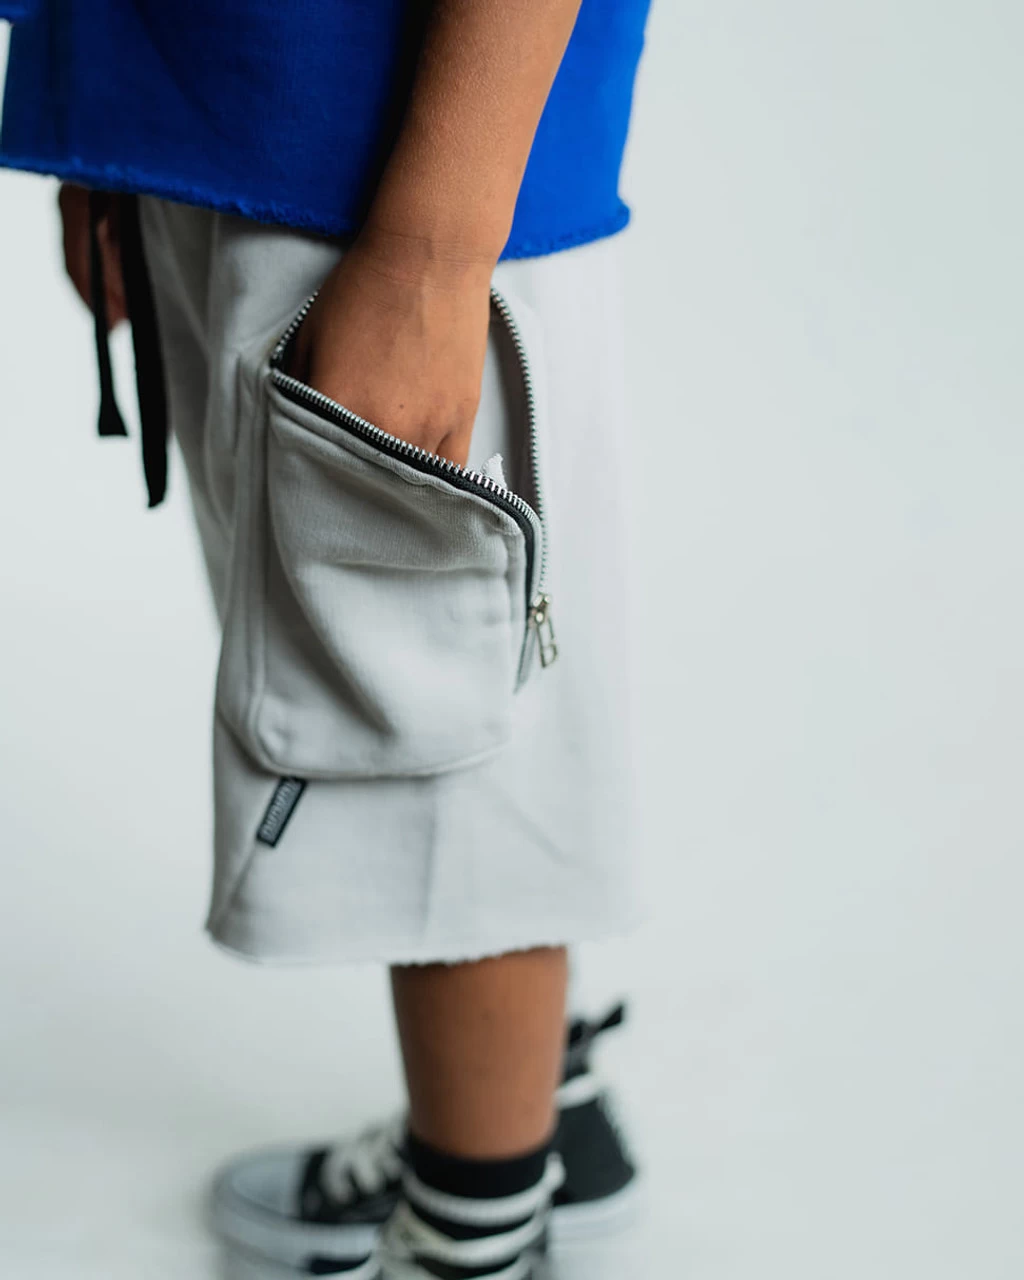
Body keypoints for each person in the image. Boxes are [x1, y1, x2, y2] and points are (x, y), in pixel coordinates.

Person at [0, 2, 650, 1277]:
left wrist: (433, 249)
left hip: (388, 148)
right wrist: (105, 113)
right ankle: (536, 1117)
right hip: (231, 105)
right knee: (397, 687)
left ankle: (473, 1229)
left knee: (439, 737)